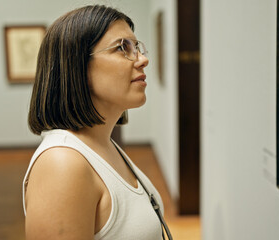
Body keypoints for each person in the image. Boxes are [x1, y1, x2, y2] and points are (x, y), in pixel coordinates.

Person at [22, 5, 170, 240]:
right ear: (77, 66)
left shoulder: (102, 145)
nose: (143, 60)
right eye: (123, 48)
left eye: (137, 47)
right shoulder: (62, 164)